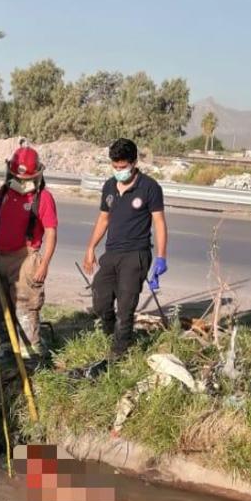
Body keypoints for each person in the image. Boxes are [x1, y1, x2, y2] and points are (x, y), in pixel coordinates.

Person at [82, 138, 167, 358]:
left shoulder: (149, 187)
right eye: (115, 167)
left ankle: (119, 352)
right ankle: (111, 333)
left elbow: (159, 223)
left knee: (126, 306)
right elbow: (103, 219)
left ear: (134, 162)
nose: (119, 171)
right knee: (100, 300)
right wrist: (91, 248)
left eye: (123, 167)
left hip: (136, 254)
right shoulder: (109, 186)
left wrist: (161, 257)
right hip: (112, 253)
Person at [0, 144, 58, 352]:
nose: (21, 183)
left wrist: (44, 264)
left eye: (25, 179)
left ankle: (30, 354)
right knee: (0, 306)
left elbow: (51, 233)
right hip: (0, 257)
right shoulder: (4, 192)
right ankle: (6, 348)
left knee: (25, 308)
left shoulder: (43, 198)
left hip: (25, 260)